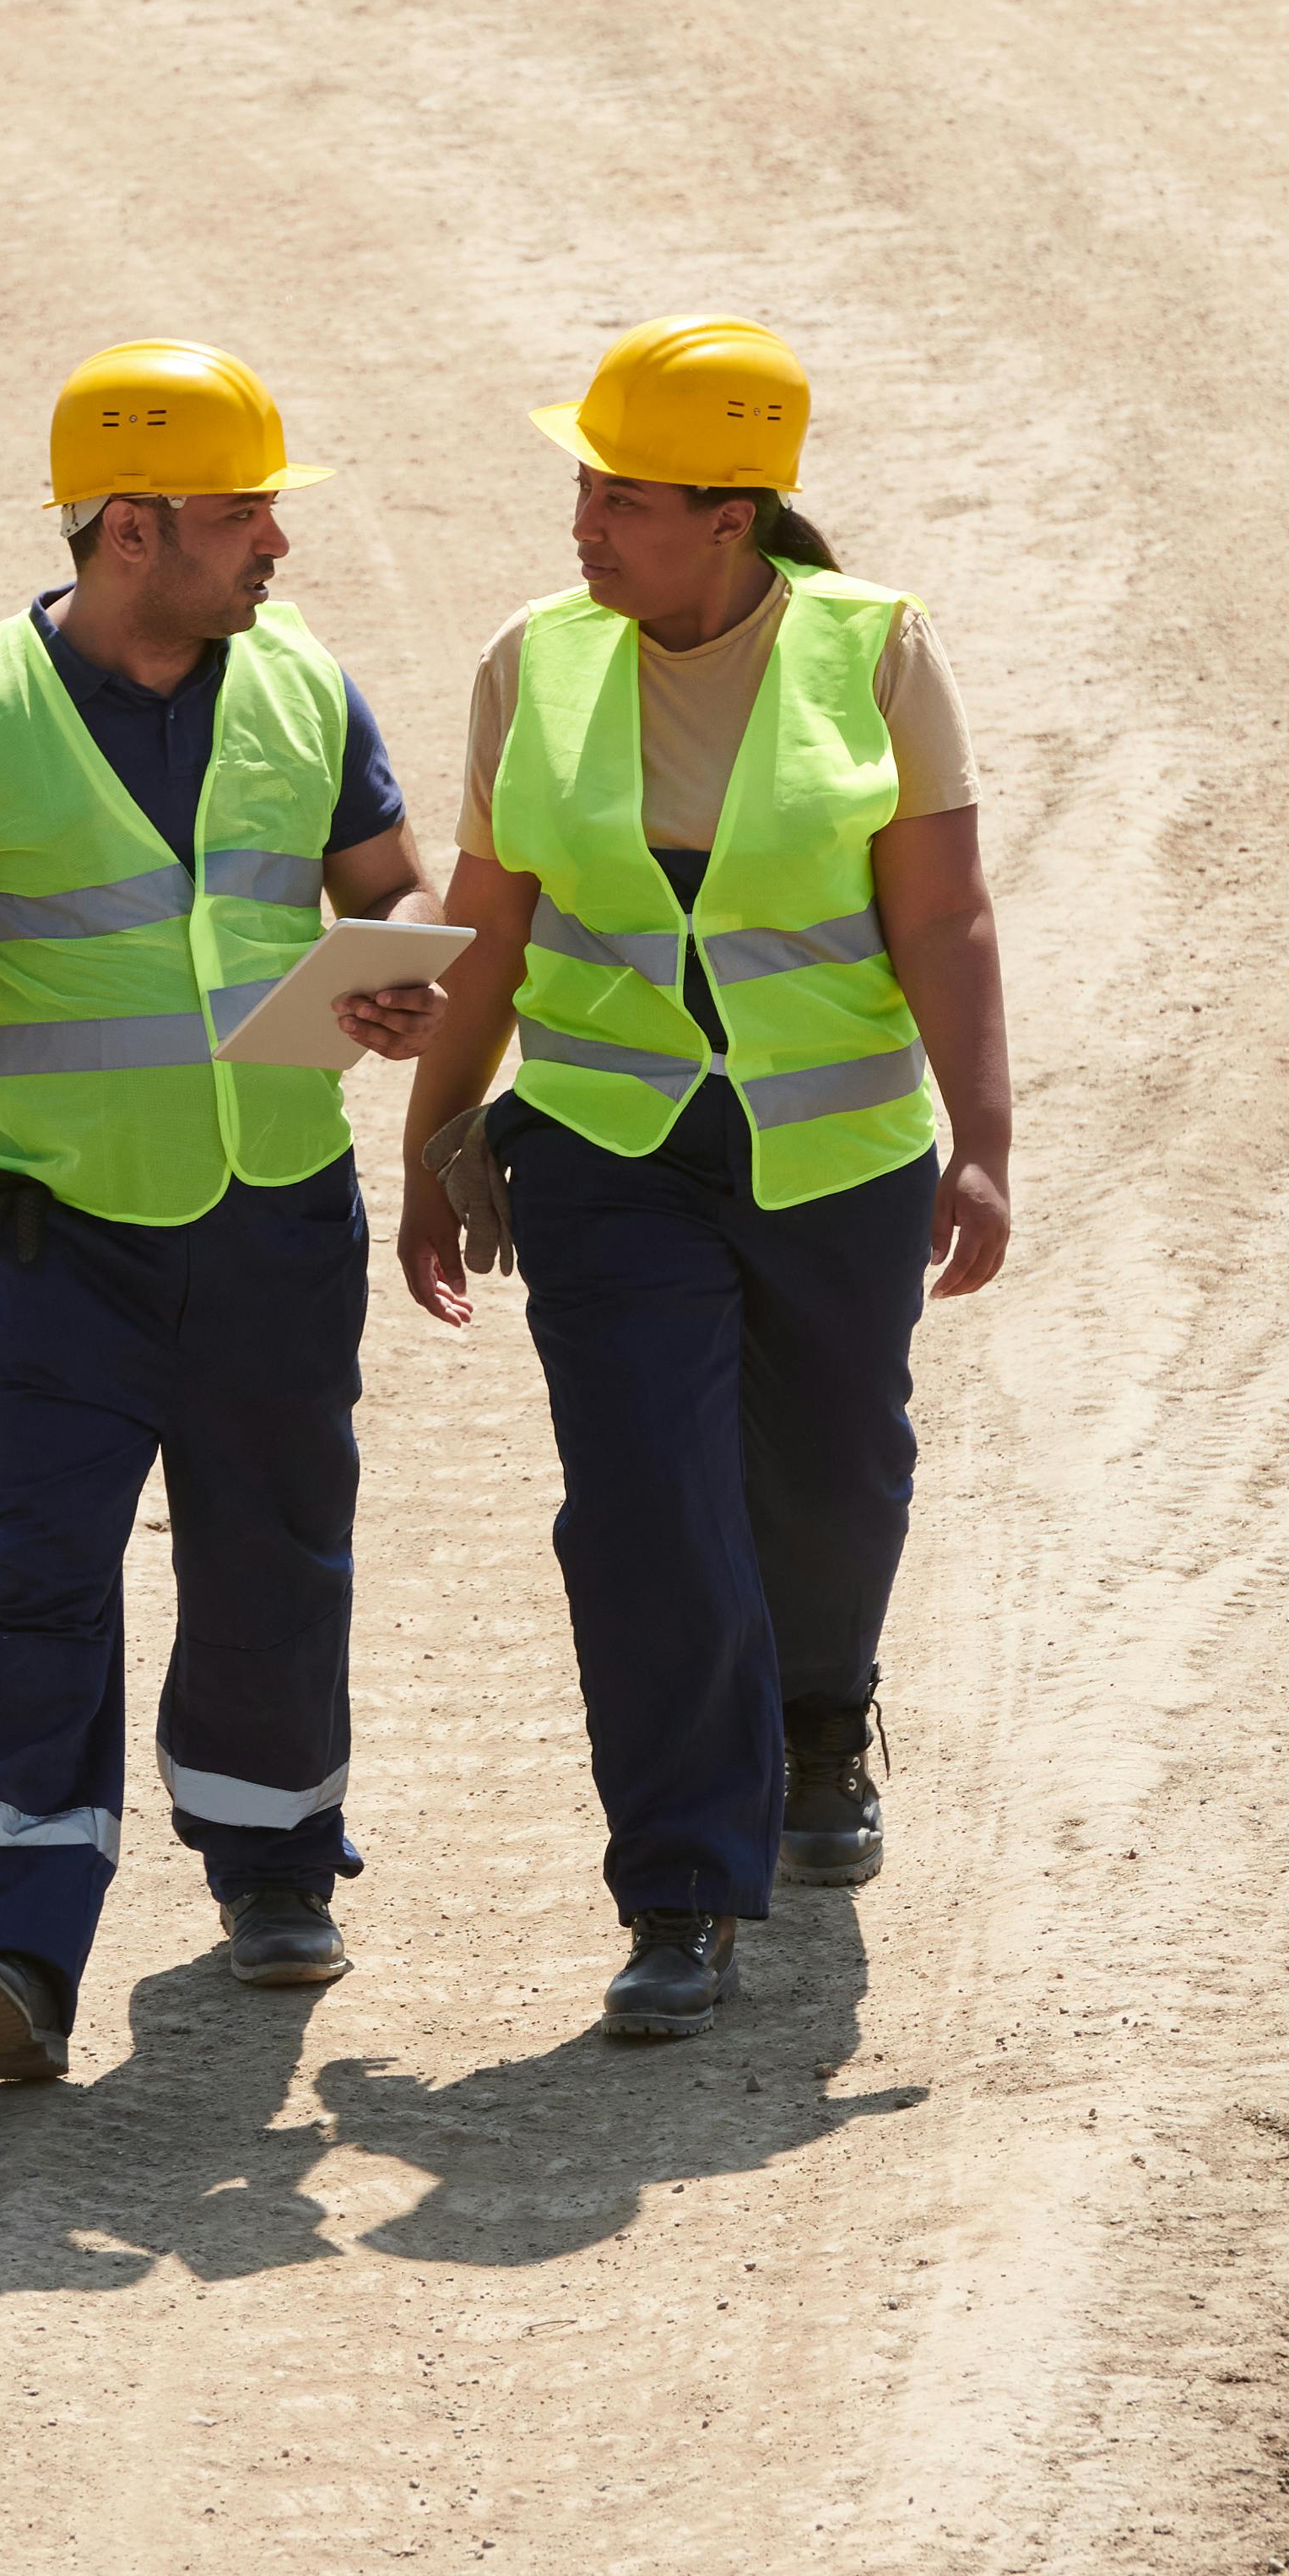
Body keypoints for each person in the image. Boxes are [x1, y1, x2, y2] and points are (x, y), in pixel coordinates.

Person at [0, 340, 441, 2086]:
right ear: (137, 527)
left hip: (273, 1223)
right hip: (58, 1238)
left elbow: (389, 890)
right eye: (248, 515)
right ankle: (9, 1941)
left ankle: (275, 1862)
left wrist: (401, 986)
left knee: (273, 1555)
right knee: (34, 1577)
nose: (276, 546)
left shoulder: (307, 690)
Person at [387, 316, 1013, 2041]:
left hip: (836, 1156)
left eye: (627, 496)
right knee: (648, 1504)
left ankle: (823, 1713)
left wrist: (987, 1147)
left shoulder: (875, 655)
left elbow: (942, 914)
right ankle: (678, 1886)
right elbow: (491, 920)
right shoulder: (538, 659)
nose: (586, 524)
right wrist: (438, 1136)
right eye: (584, 486)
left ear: (733, 516)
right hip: (603, 1153)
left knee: (834, 1474)